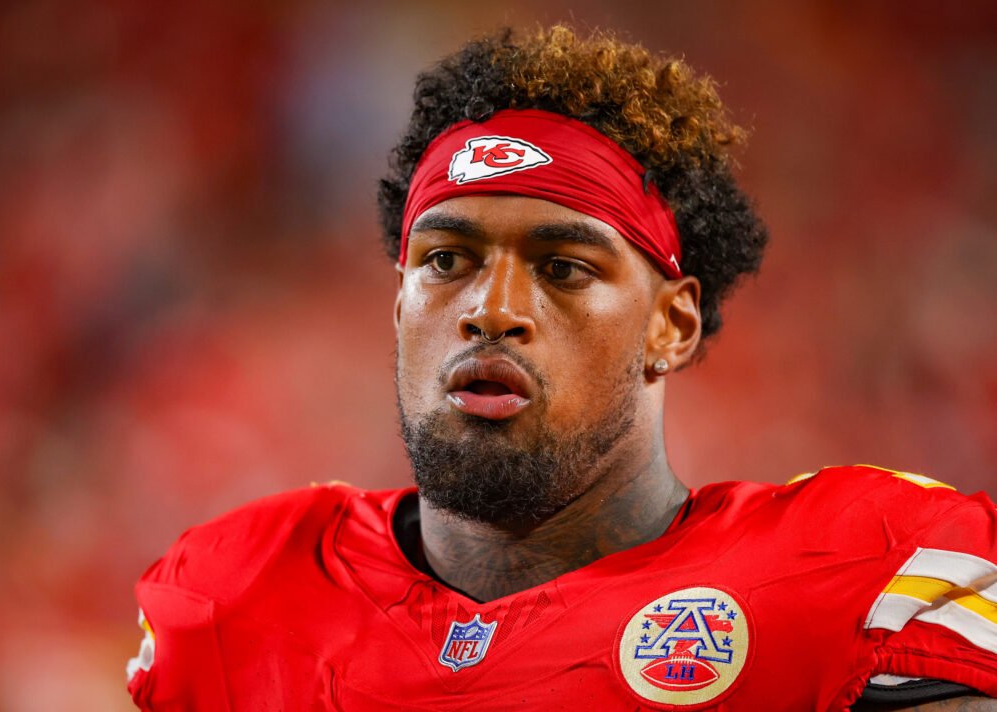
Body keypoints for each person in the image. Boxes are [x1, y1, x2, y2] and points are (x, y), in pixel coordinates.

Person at [126, 26, 997, 710]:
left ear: (671, 324)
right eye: (445, 260)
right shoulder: (239, 594)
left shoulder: (849, 577)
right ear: (398, 306)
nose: (491, 308)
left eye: (563, 267)